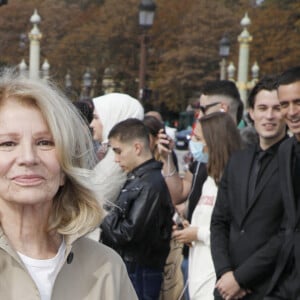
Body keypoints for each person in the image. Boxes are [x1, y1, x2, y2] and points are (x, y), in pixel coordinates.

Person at [0, 69, 137, 300]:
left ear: (66, 166)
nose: (28, 157)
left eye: (44, 142)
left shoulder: (106, 267)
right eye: (7, 143)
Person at [210, 76, 288, 300]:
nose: (269, 116)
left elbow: (288, 233)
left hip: (272, 287)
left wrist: (241, 278)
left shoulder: (294, 162)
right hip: (227, 288)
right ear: (252, 113)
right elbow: (219, 222)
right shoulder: (237, 161)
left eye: (276, 108)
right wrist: (225, 273)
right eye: (262, 108)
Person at [100, 118, 174, 300]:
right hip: (132, 269)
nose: (116, 159)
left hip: (139, 272)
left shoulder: (149, 185)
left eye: (118, 151)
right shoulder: (138, 180)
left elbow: (128, 233)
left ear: (137, 148)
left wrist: (102, 216)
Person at [172, 112, 242, 299]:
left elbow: (236, 232)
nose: (192, 143)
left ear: (213, 142)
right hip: (197, 277)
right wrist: (190, 232)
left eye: (197, 138)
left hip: (217, 279)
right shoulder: (209, 180)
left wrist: (198, 233)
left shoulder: (234, 182)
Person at [264, 66, 300, 300]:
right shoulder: (286, 150)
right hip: (288, 280)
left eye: (298, 102)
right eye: (284, 105)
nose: (292, 112)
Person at [90, 93, 144, 207]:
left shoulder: (117, 162)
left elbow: (93, 204)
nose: (91, 124)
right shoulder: (109, 153)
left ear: (112, 118)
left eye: (96, 118)